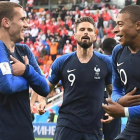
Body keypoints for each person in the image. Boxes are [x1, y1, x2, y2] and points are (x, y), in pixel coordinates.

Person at [35, 16, 113, 140]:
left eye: (89, 30)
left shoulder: (105, 62)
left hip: (94, 128)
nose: (86, 32)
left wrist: (113, 108)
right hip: (67, 126)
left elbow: (112, 91)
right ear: (75, 35)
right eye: (82, 29)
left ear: (95, 35)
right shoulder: (62, 62)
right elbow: (44, 89)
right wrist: (42, 101)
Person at [0, 2, 50, 140]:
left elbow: (44, 88)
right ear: (6, 22)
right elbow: (7, 86)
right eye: (22, 19)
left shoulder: (24, 51)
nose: (27, 25)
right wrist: (29, 78)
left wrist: (26, 71)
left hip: (25, 133)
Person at [102, 5, 140, 140]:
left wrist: (124, 111)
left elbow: (124, 111)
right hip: (133, 125)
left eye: (120, 24)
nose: (115, 29)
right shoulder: (118, 52)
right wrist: (120, 100)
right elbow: (116, 89)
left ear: (138, 25)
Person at [102, 38, 121, 140]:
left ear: (102, 49)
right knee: (113, 137)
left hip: (96, 100)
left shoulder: (98, 61)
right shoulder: (120, 62)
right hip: (114, 100)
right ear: (115, 48)